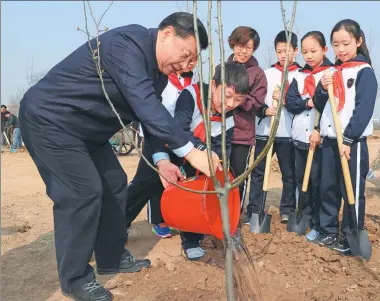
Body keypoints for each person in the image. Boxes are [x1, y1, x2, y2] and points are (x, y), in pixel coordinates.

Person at [19, 12, 220, 301]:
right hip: (51, 121)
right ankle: (75, 279)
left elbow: (151, 117)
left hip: (87, 133)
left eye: (191, 61)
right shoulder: (129, 44)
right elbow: (146, 105)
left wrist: (163, 161)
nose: (184, 64)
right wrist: (191, 151)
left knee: (114, 183)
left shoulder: (158, 76)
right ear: (166, 34)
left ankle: (111, 256)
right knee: (82, 193)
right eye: (185, 54)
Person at [153, 62, 249, 260]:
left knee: (203, 192)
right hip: (169, 144)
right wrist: (202, 152)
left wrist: (219, 165)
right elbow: (180, 130)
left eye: (238, 100)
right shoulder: (191, 95)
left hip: (202, 154)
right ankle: (123, 222)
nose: (230, 104)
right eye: (227, 96)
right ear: (213, 85)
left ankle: (192, 239)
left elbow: (223, 145)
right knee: (147, 185)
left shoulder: (228, 116)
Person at [313, 19, 377, 253]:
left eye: (346, 43)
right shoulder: (330, 71)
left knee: (352, 191)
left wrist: (349, 138)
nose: (341, 49)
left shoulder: (364, 72)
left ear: (358, 41)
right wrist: (321, 87)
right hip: (330, 141)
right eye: (336, 44)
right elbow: (320, 105)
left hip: (352, 143)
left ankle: (351, 235)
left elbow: (364, 109)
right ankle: (328, 231)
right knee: (328, 188)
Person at [125, 69, 196, 239]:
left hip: (179, 138)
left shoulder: (193, 80)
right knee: (145, 183)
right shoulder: (161, 77)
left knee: (167, 181)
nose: (189, 62)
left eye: (194, 58)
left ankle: (161, 219)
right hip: (156, 136)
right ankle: (117, 223)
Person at [244, 30, 300, 224]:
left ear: (296, 51)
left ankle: (287, 209)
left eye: (287, 50)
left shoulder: (301, 76)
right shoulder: (266, 74)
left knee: (289, 174)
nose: (283, 55)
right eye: (279, 51)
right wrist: (265, 110)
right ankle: (255, 209)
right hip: (265, 132)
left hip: (289, 134)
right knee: (259, 173)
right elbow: (255, 101)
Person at [285, 31, 334, 239]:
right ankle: (302, 216)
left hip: (319, 139)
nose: (309, 56)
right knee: (300, 180)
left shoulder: (331, 73)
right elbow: (291, 102)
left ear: (324, 49)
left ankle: (317, 222)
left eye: (313, 51)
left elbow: (330, 105)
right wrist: (308, 102)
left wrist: (318, 128)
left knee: (317, 181)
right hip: (299, 138)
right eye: (305, 52)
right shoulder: (298, 76)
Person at [226, 26, 267, 212]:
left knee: (238, 177)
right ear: (233, 44)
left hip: (242, 133)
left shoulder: (257, 73)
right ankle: (217, 214)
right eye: (240, 46)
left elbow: (258, 103)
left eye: (249, 48)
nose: (243, 51)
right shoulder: (222, 68)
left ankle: (235, 215)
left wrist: (238, 97)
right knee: (218, 175)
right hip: (220, 131)